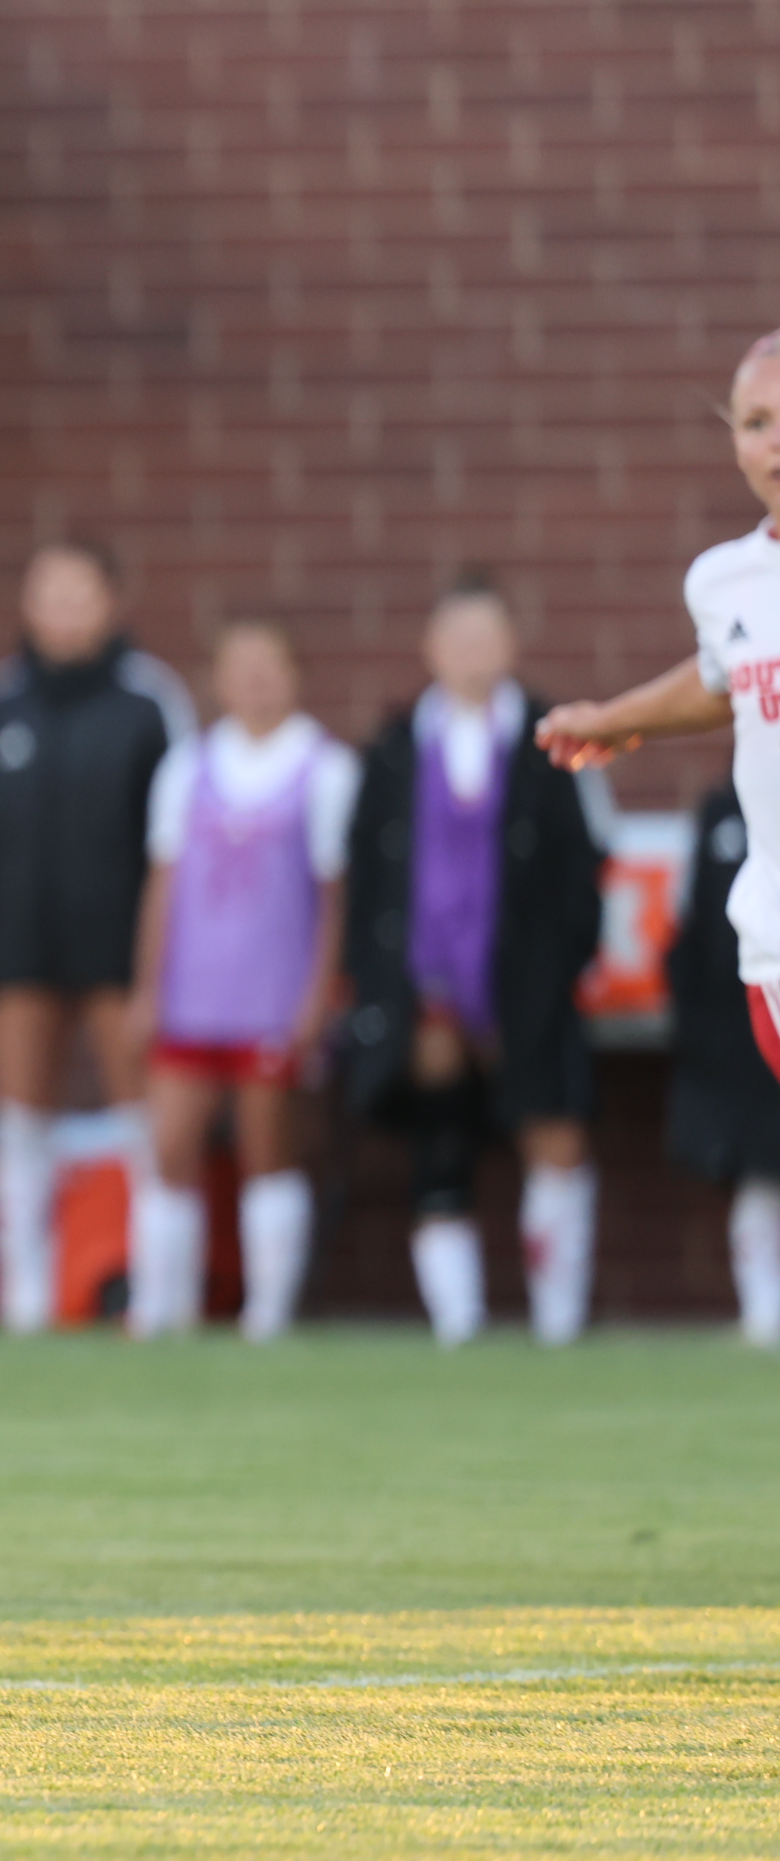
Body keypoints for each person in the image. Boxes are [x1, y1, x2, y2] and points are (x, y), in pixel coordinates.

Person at [0, 538, 188, 1334]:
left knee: (144, 1119)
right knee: (19, 1122)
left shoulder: (151, 701)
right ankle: (26, 1301)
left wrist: (169, 962)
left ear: (111, 602)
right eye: (49, 593)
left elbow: (181, 838)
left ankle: (157, 1294)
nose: (65, 610)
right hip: (19, 942)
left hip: (119, 948)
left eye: (81, 593)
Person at [363, 575, 605, 1345]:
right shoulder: (394, 748)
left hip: (529, 981)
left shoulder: (555, 740)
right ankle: (457, 1324)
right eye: (458, 637)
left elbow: (585, 867)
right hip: (428, 986)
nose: (472, 652)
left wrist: (557, 970)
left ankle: (558, 1324)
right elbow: (369, 876)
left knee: (553, 1134)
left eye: (486, 636)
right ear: (430, 648)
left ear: (512, 646)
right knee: (439, 1137)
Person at [126, 618, 353, 1340]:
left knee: (268, 1148)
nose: (256, 681)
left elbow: (335, 897)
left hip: (274, 993)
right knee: (169, 1145)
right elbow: (163, 882)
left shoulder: (326, 769)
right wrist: (146, 986)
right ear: (218, 680)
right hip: (192, 992)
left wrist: (318, 995)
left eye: (270, 665)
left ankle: (268, 1310)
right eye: (241, 666)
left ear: (295, 675)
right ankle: (161, 1304)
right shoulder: (187, 767)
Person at [662, 774, 780, 1347]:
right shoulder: (721, 812)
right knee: (758, 1169)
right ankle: (762, 1314)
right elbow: (690, 927)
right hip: (741, 1022)